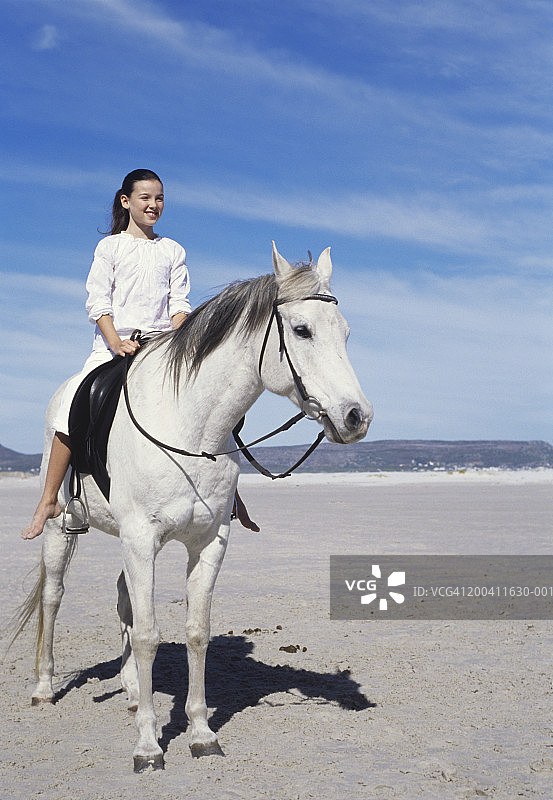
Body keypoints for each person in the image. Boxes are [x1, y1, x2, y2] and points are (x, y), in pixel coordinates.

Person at [22, 168, 258, 539]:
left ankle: (227, 492)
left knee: (215, 404)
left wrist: (177, 338)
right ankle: (51, 498)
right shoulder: (110, 247)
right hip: (112, 348)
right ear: (126, 201)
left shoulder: (172, 250)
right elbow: (98, 301)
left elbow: (180, 302)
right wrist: (115, 342)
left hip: (163, 351)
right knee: (72, 401)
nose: (153, 204)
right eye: (145, 197)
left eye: (159, 198)